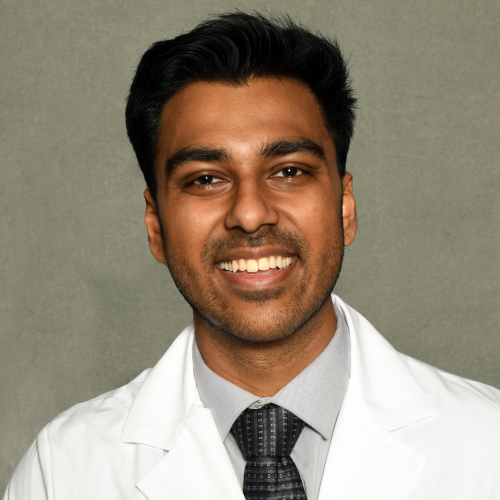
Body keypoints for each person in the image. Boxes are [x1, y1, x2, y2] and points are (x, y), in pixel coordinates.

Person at [3, 11, 500, 500]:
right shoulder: (63, 472)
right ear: (155, 226)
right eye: (205, 179)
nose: (249, 213)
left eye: (289, 171)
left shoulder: (488, 443)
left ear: (345, 207)